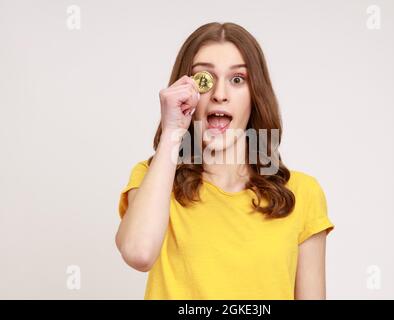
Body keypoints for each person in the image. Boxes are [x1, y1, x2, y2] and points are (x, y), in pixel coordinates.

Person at [115, 22, 335, 300]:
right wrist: (173, 131)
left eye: (237, 79)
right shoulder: (155, 178)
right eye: (204, 79)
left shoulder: (302, 193)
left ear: (256, 95)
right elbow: (138, 253)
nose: (220, 94)